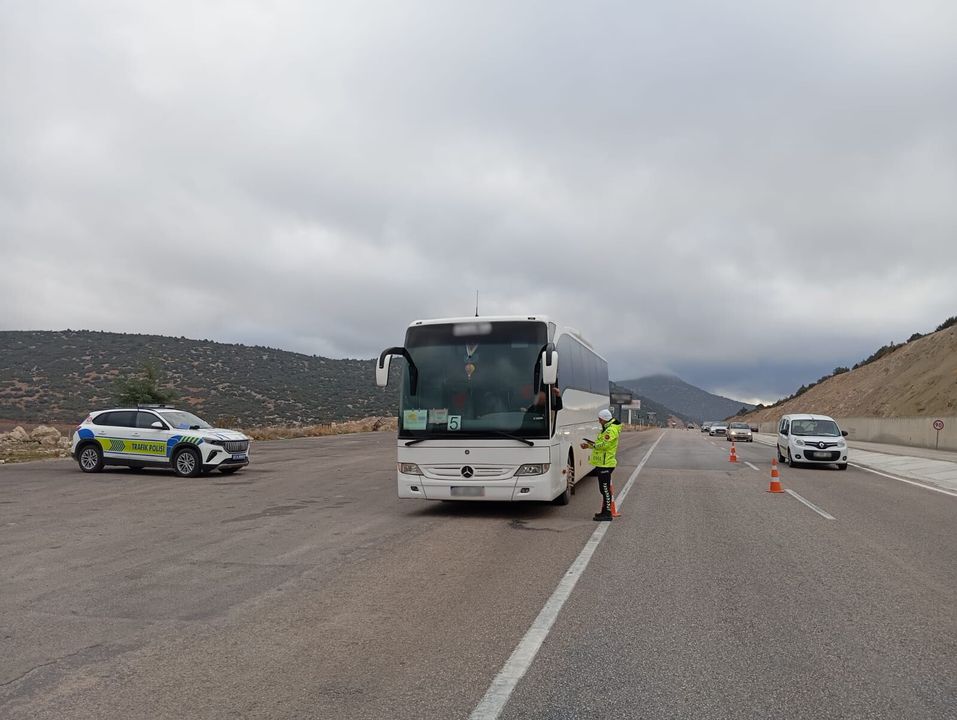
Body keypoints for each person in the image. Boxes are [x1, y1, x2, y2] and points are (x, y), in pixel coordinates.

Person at [581, 408, 622, 521]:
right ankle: (604, 511)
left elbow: (604, 445)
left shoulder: (610, 430)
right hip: (603, 463)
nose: (599, 421)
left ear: (604, 419)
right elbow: (602, 443)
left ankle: (607, 514)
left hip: (606, 464)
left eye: (600, 420)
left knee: (605, 489)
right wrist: (590, 445)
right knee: (603, 489)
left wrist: (590, 446)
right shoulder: (608, 428)